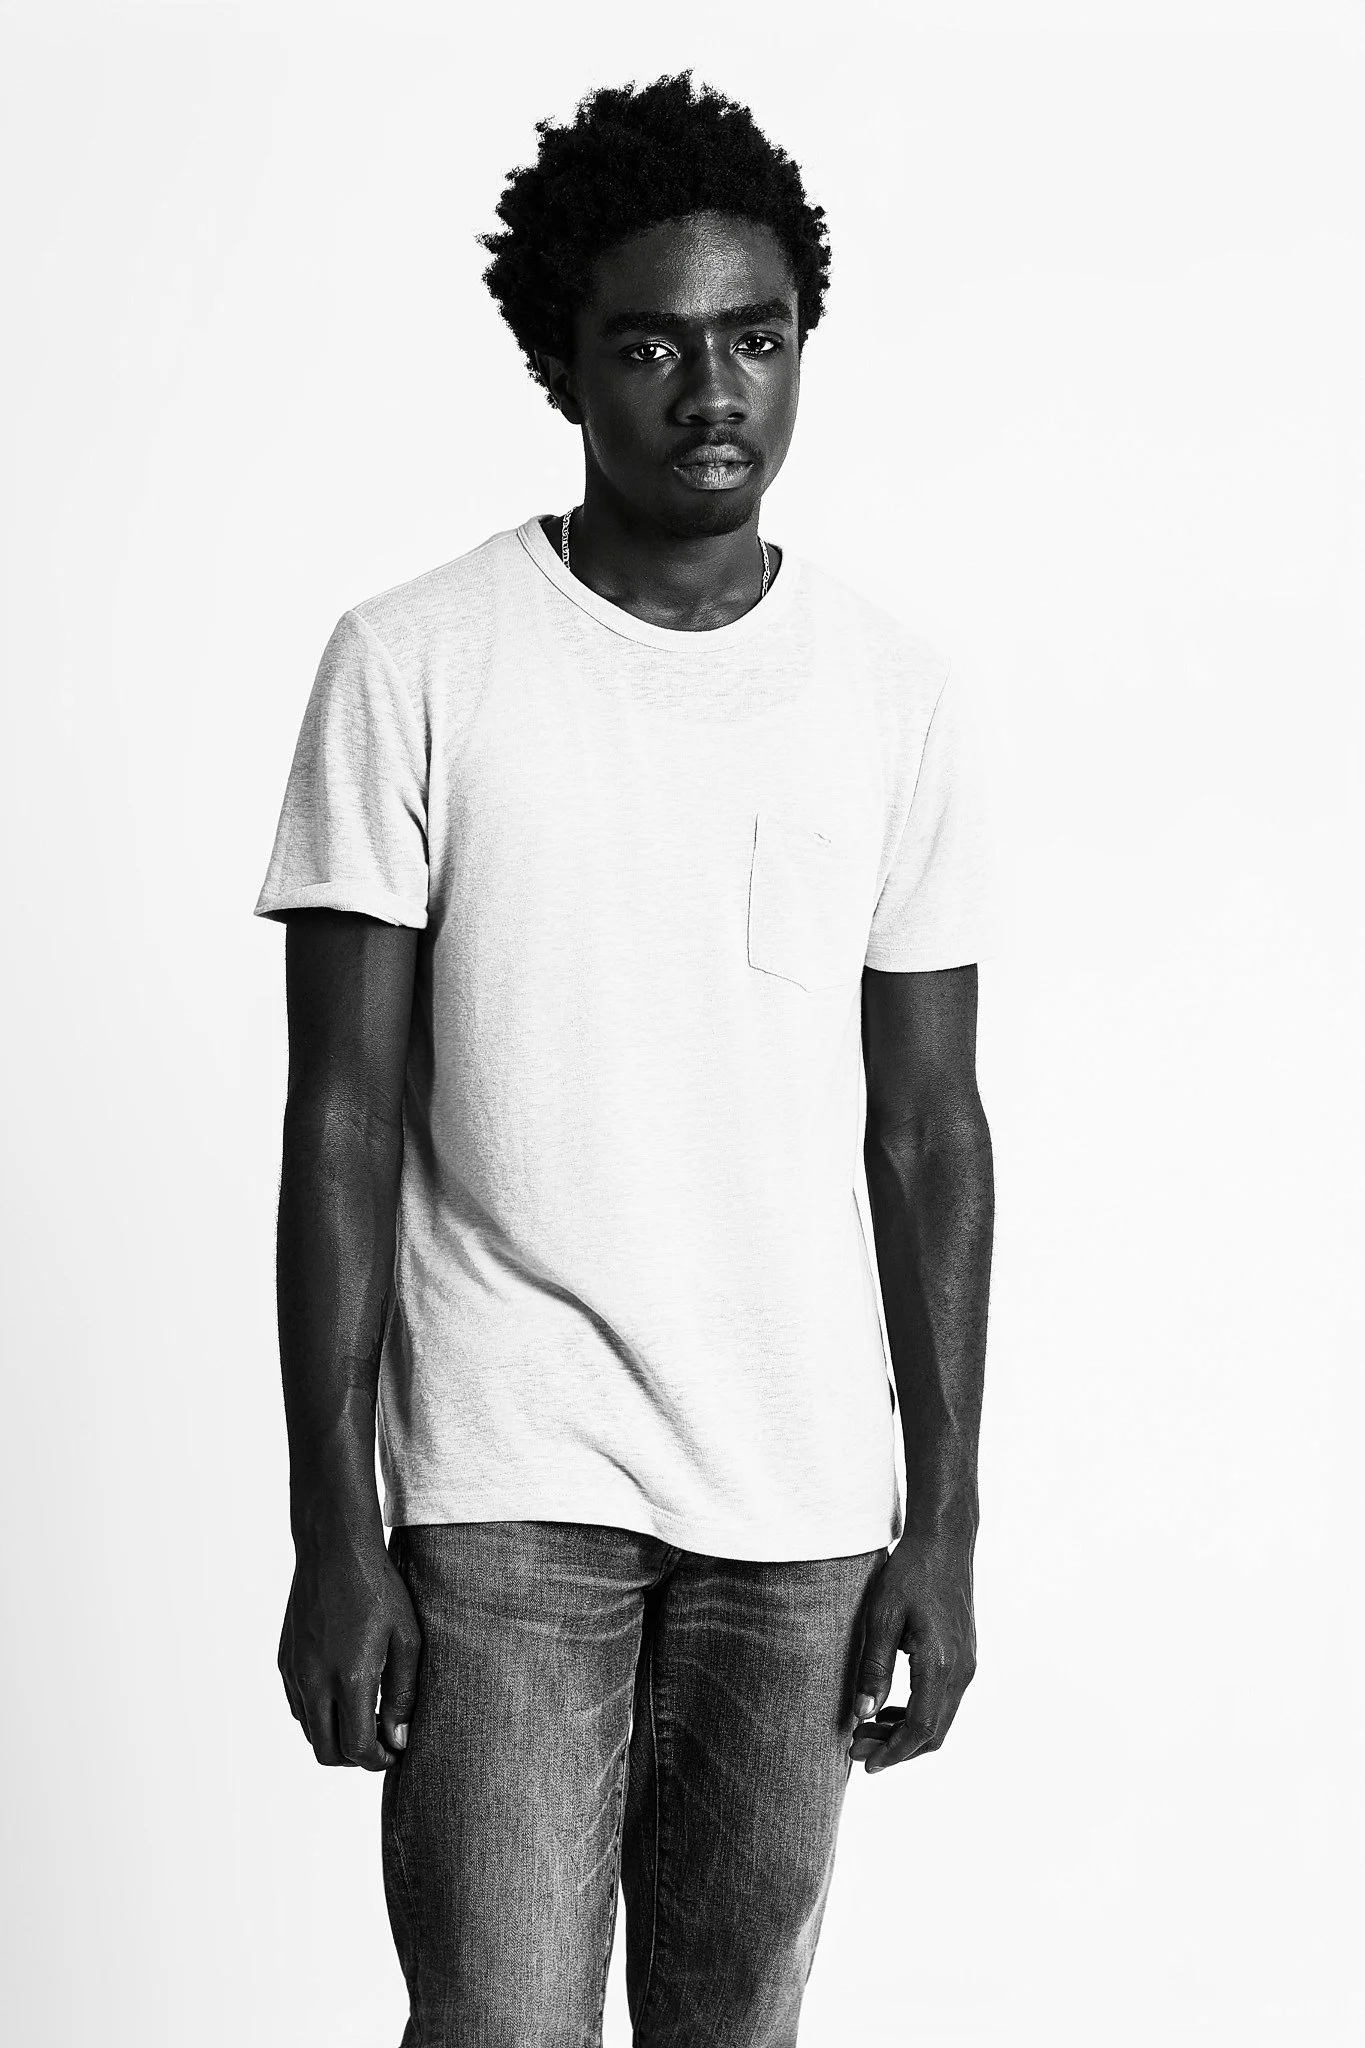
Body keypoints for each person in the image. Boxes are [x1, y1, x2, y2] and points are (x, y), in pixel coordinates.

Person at [255, 69, 996, 2048]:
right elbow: (340, 1124)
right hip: (506, 1485)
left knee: (724, 2033)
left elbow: (929, 1135)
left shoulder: (891, 695)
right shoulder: (413, 661)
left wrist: (947, 1523)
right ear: (560, 361)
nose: (710, 388)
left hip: (803, 1502)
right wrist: (337, 1530)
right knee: (500, 2029)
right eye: (650, 343)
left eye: (754, 337)